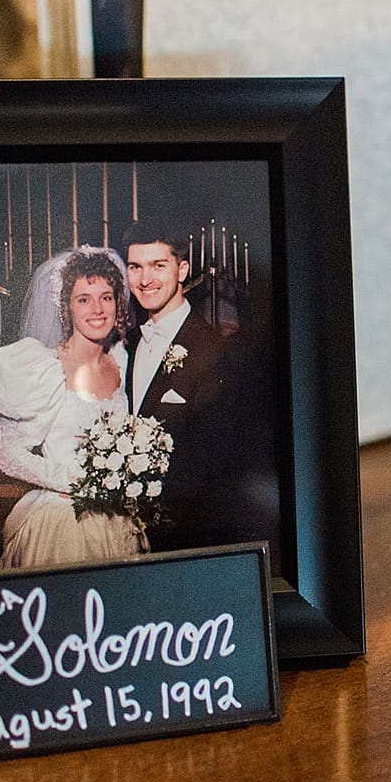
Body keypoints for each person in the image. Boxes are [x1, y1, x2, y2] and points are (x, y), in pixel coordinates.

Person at [0, 247, 149, 568]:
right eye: (83, 299)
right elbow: (10, 456)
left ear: (118, 303)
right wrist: (77, 482)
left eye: (106, 297)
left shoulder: (122, 361)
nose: (97, 309)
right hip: (63, 523)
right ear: (67, 308)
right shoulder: (45, 369)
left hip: (120, 520)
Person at [123, 221, 276, 555]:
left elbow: (215, 462)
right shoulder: (126, 346)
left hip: (181, 535)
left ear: (182, 270)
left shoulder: (215, 352)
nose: (145, 279)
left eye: (158, 266)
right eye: (135, 267)